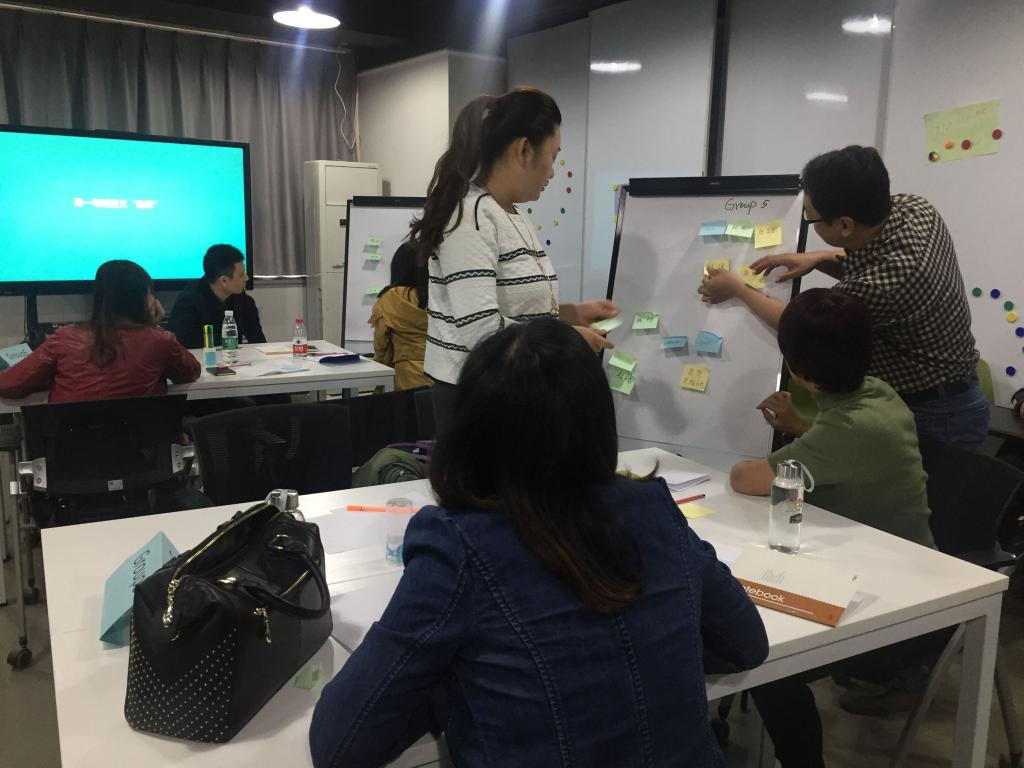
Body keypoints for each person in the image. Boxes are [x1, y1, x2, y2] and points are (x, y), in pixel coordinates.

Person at [309, 318, 768, 768]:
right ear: (598, 422)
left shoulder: (459, 546)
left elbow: (341, 742)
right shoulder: (652, 509)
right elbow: (744, 643)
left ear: (468, 432)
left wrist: (455, 682)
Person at [730, 289, 934, 768]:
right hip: (888, 565)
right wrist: (803, 428)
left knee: (767, 659)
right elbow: (844, 447)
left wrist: (798, 438)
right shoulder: (878, 392)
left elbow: (745, 479)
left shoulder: (847, 430)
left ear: (799, 371)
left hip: (897, 606)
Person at [698, 145, 988, 449]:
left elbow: (801, 325)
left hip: (934, 416)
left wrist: (737, 288)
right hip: (946, 392)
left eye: (810, 218)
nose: (808, 221)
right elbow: (876, 257)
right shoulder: (915, 209)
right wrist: (819, 258)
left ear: (845, 225)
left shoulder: (882, 285)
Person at [410, 88, 618, 430]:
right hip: (480, 398)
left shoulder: (509, 213)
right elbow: (481, 330)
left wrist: (571, 313)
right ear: (523, 150)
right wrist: (567, 340)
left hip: (512, 387)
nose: (552, 172)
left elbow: (518, 310)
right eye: (553, 156)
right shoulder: (472, 215)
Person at [0, 260, 201, 402]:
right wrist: (153, 327)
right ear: (143, 299)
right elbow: (190, 372)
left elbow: (8, 384)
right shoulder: (161, 341)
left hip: (73, 448)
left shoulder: (64, 338)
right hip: (145, 448)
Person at [166, 244, 266, 349]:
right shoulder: (189, 301)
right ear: (224, 280)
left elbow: (257, 339)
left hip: (233, 356)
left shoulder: (241, 298)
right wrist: (226, 339)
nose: (246, 278)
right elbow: (182, 341)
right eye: (241, 275)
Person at [367, 241, 430, 390]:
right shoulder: (438, 295)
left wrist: (379, 370)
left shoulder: (391, 297)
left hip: (406, 377)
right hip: (441, 374)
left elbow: (381, 343)